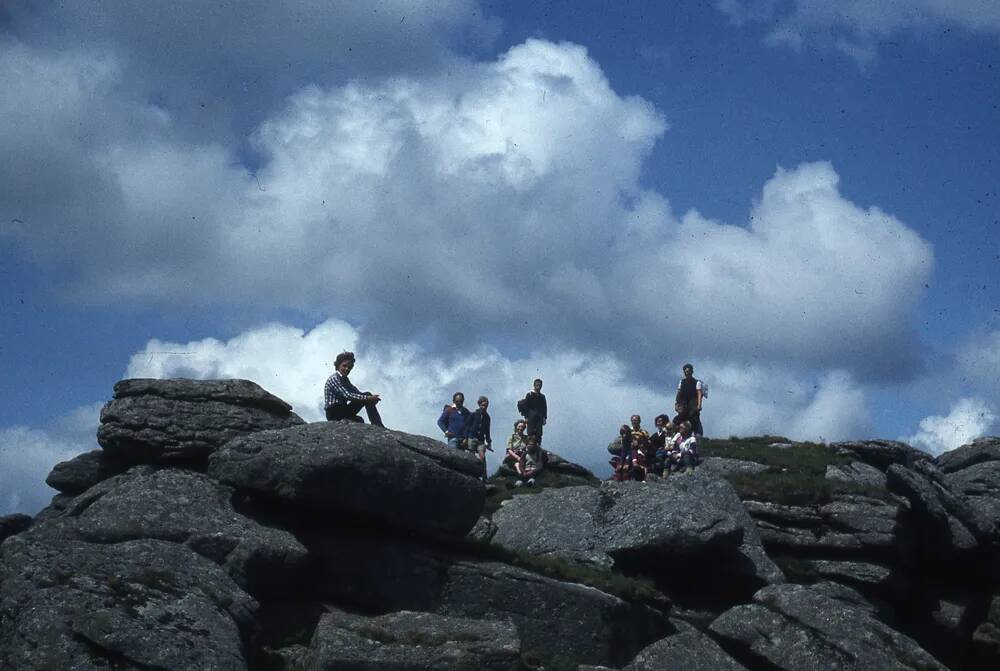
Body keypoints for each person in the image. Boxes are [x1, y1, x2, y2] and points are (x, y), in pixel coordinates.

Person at [324, 351, 384, 426]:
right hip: (334, 412)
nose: (347, 369)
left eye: (349, 367)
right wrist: (368, 398)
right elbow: (347, 395)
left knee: (360, 419)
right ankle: (378, 424)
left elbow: (356, 392)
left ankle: (377, 424)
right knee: (366, 397)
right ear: (338, 365)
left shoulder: (345, 380)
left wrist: (370, 399)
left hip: (342, 410)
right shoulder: (334, 378)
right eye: (344, 366)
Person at [466, 396, 493, 479]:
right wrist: (465, 437)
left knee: (482, 457)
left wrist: (489, 442)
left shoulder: (487, 417)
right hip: (472, 438)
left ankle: (484, 477)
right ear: (479, 405)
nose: (484, 407)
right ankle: (472, 475)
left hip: (481, 440)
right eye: (482, 405)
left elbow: (487, 430)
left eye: (486, 405)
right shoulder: (474, 414)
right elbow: (467, 425)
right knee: (471, 456)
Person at [676, 364, 704, 436]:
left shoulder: (697, 382)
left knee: (694, 418)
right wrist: (677, 404)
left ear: (692, 371)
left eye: (688, 371)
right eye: (685, 371)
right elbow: (678, 393)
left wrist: (699, 405)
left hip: (693, 403)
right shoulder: (681, 382)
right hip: (683, 403)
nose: (687, 373)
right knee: (681, 419)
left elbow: (699, 394)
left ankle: (698, 434)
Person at [518, 378, 547, 444]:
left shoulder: (542, 396)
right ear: (534, 385)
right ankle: (530, 445)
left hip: (539, 417)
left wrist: (544, 418)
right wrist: (526, 417)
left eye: (540, 385)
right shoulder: (530, 394)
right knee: (531, 432)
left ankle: (538, 445)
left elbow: (544, 408)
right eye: (537, 385)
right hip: (531, 416)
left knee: (539, 432)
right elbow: (526, 406)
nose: (538, 386)